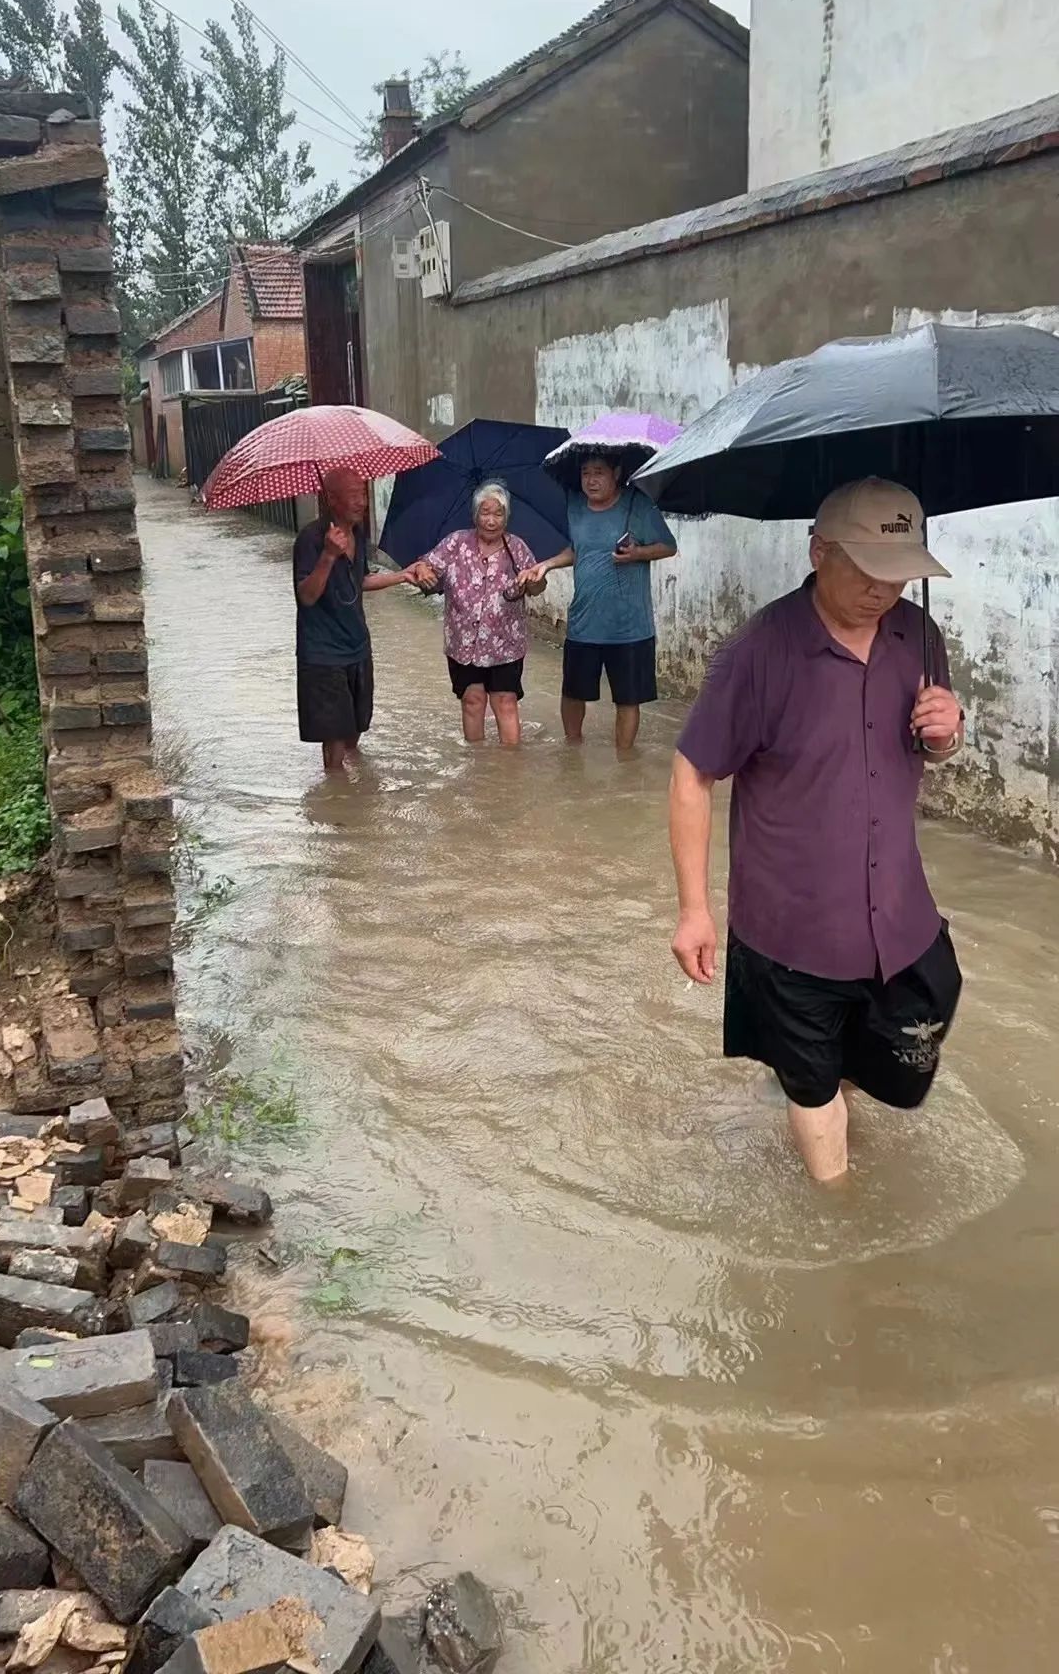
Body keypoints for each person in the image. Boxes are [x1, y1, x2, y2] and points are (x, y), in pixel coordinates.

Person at [668, 477, 965, 1183]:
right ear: (817, 551)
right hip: (791, 931)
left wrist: (948, 732)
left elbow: (930, 748)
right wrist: (694, 910)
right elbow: (691, 775)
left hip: (899, 918)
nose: (882, 590)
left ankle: (825, 1083)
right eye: (866, 570)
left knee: (900, 1060)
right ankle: (838, 1223)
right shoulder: (756, 654)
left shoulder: (919, 636)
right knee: (815, 1093)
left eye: (898, 574)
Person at [517, 455, 677, 749]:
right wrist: (547, 565)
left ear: (616, 473)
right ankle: (573, 749)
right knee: (573, 692)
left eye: (599, 472)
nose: (591, 480)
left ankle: (625, 758)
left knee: (628, 698)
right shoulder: (575, 506)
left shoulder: (636, 505)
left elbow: (669, 547)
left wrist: (637, 554)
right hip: (584, 622)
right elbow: (578, 550)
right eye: (585, 473)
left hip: (630, 625)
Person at [293, 468, 417, 773]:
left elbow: (359, 581)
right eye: (353, 496)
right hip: (322, 652)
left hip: (357, 645)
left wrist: (401, 576)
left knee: (357, 725)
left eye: (363, 493)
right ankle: (337, 797)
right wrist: (328, 556)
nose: (362, 502)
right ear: (332, 500)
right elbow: (306, 597)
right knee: (334, 735)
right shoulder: (310, 539)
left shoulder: (358, 533)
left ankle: (354, 797)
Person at [410, 482, 545, 745]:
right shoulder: (456, 542)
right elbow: (424, 567)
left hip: (505, 645)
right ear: (475, 515)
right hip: (463, 642)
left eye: (498, 514)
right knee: (472, 700)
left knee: (505, 701)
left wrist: (532, 580)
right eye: (485, 513)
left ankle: (508, 769)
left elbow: (537, 587)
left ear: (507, 517)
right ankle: (477, 766)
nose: (491, 521)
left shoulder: (516, 548)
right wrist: (422, 570)